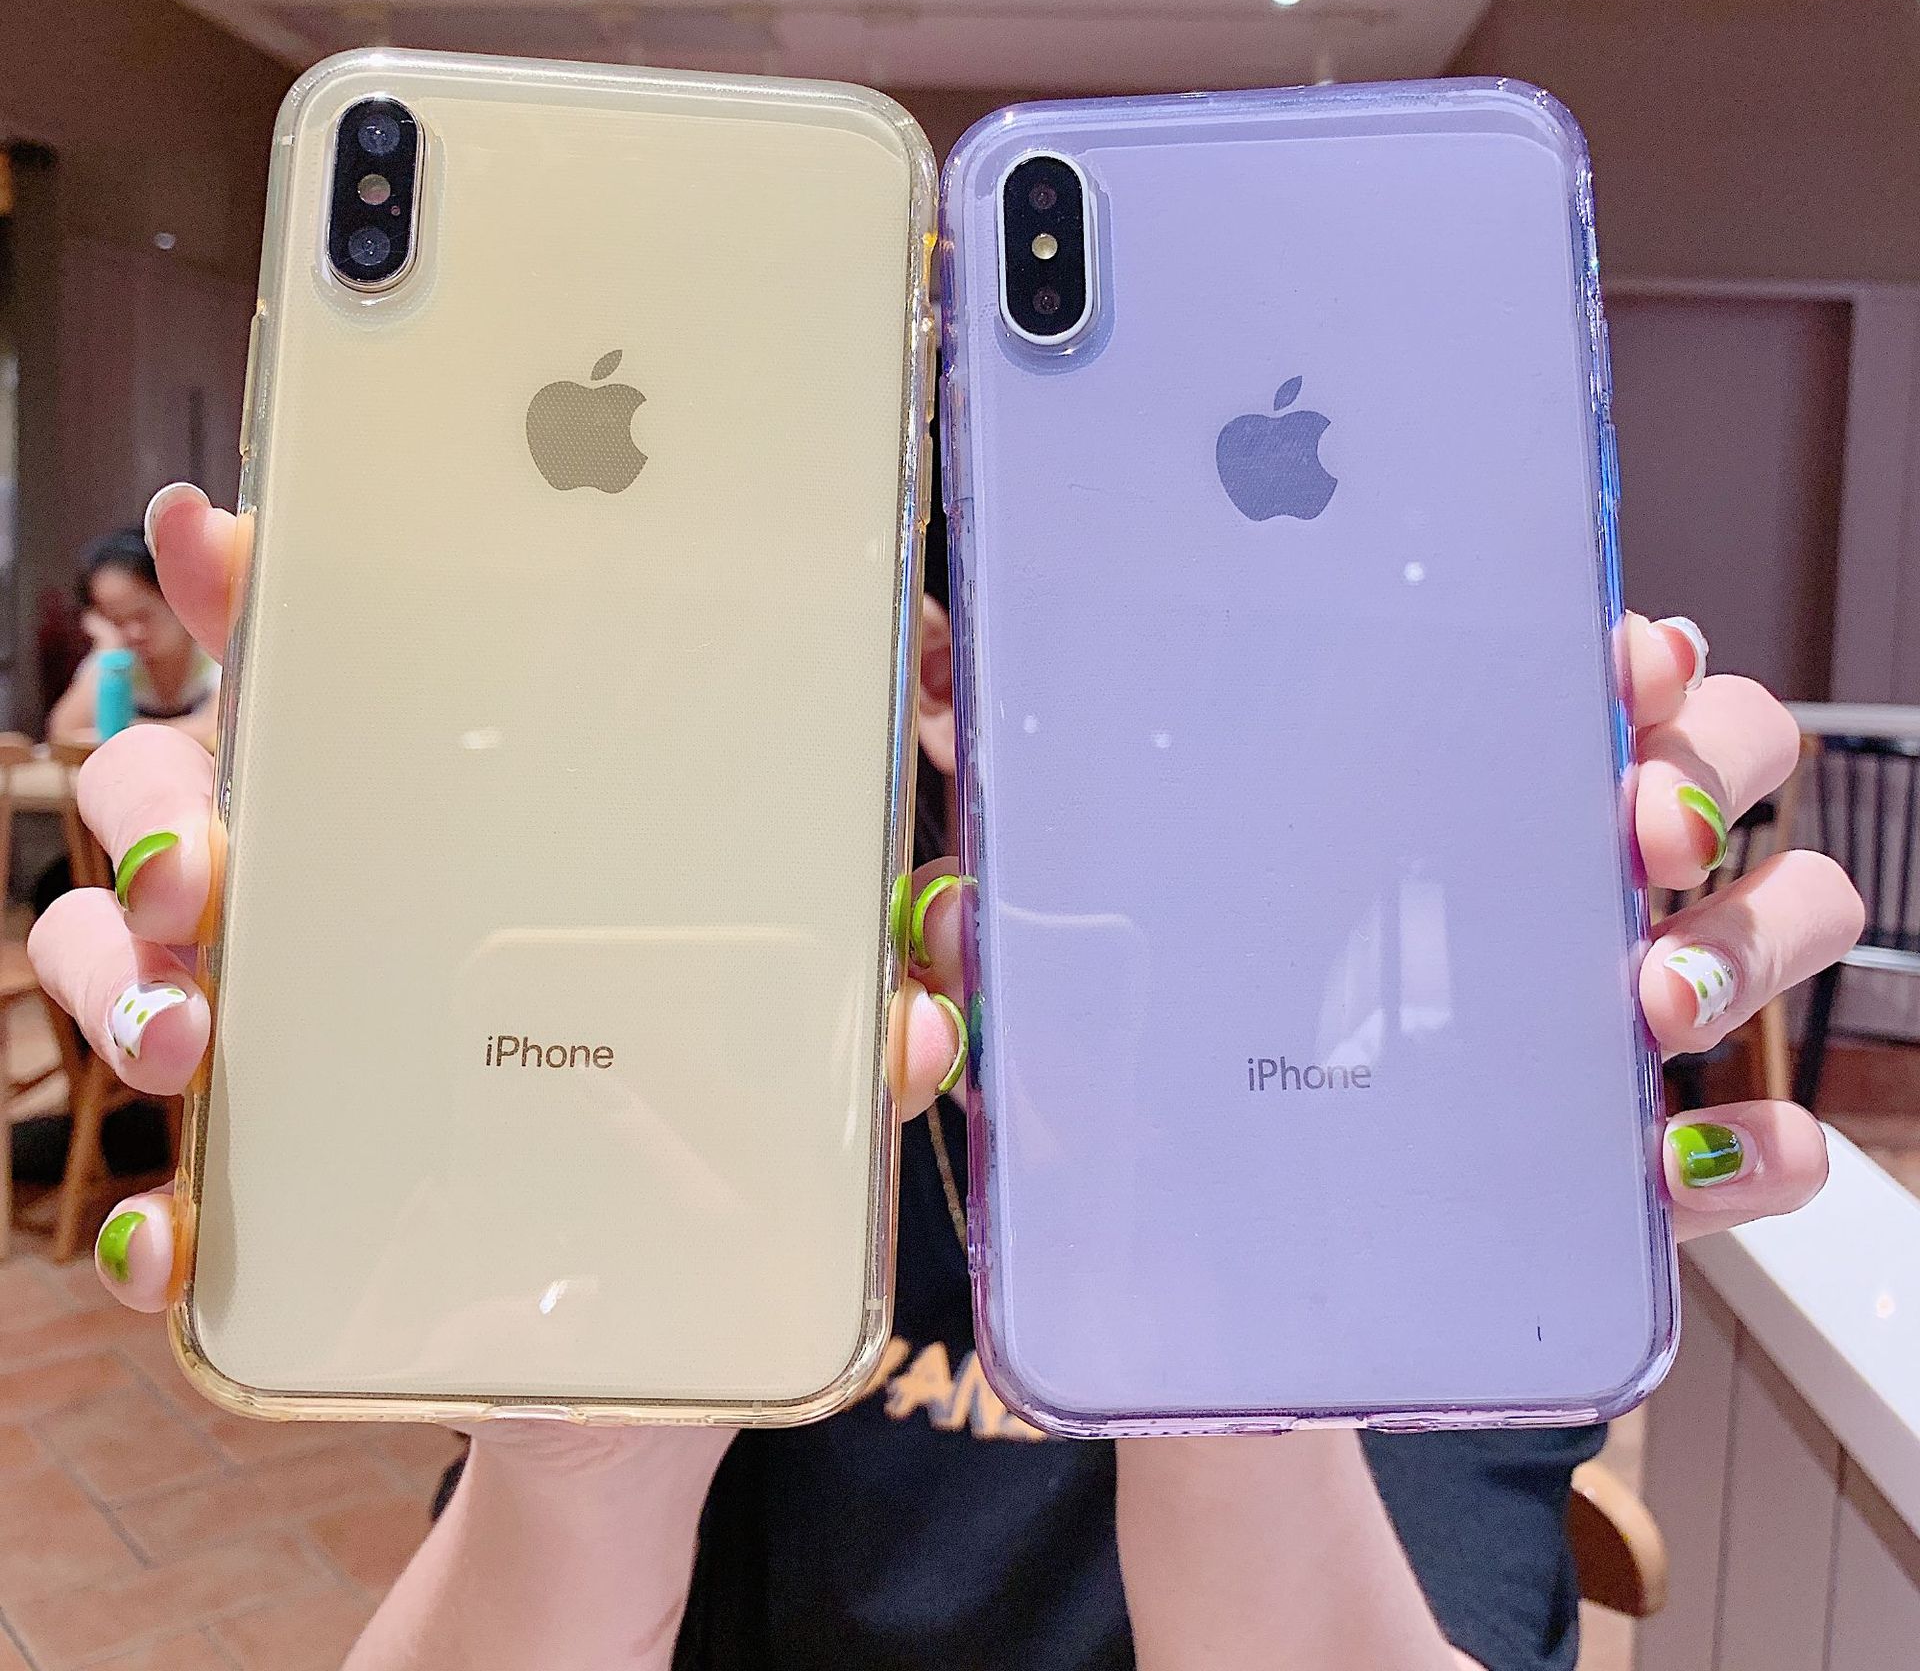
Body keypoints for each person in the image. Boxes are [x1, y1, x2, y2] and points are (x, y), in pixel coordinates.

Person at [31, 481, 1860, 1671]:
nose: (1138, 756)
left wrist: (1234, 1382)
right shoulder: (775, 1021)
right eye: (1052, 666)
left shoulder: (1404, 1096)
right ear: (925, 675)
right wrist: (585, 1470)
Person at [47, 511, 221, 752]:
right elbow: (64, 734)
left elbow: (218, 730)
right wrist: (106, 654)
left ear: (176, 597)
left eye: (143, 615)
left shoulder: (212, 652)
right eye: (116, 620)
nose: (133, 632)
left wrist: (126, 732)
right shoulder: (117, 658)